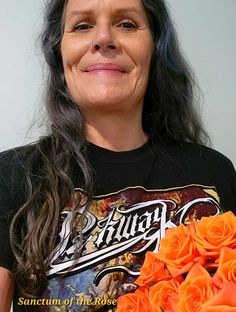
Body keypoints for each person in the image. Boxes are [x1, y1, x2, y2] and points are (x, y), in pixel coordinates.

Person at [0, 0, 236, 311]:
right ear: (60, 53)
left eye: (126, 24)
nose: (103, 38)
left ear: (154, 47)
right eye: (82, 25)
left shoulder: (214, 172)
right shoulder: (12, 175)